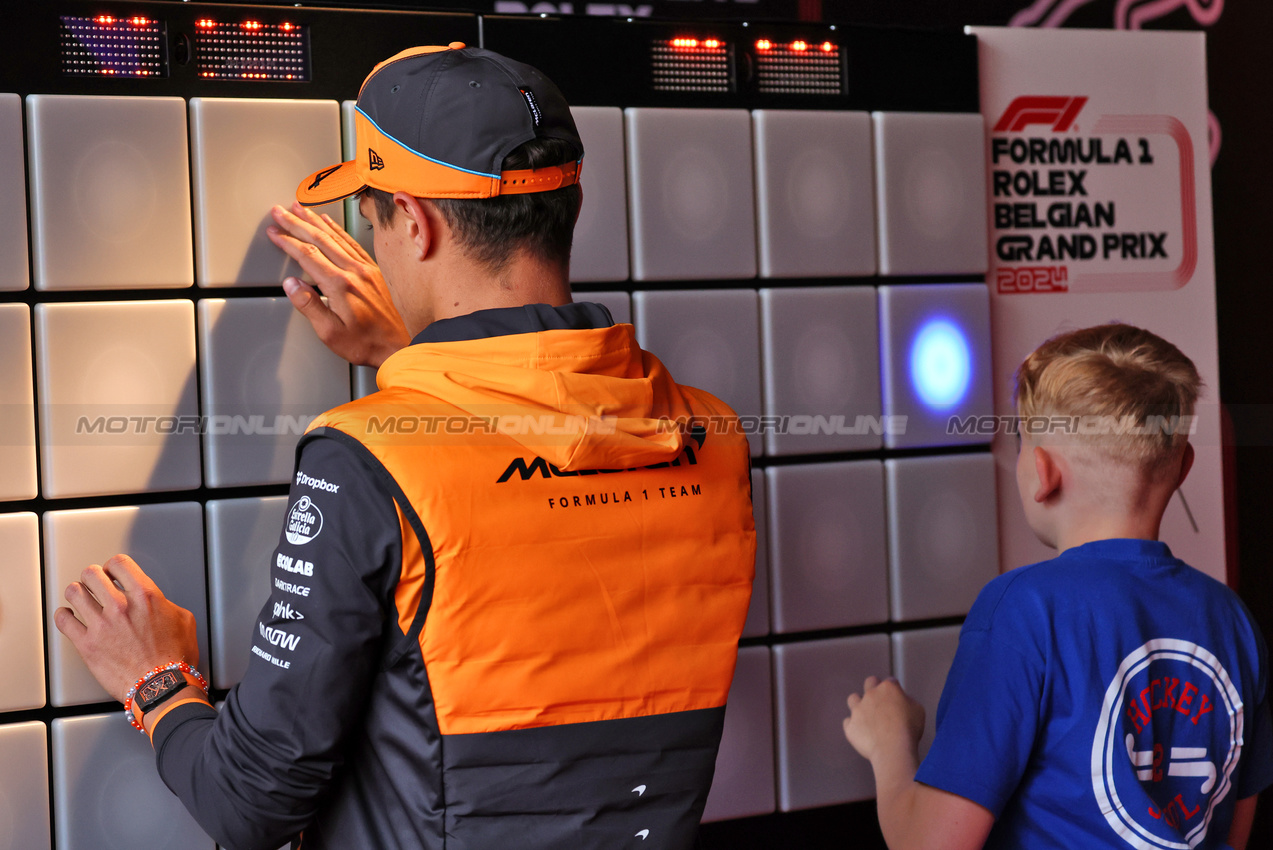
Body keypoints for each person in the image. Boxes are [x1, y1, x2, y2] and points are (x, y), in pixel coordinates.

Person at [54, 43, 755, 850]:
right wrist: (415, 361)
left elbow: (250, 802)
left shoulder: (368, 459)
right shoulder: (714, 438)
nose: (375, 240)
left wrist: (158, 684)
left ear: (413, 225)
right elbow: (542, 501)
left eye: (374, 215)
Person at [843, 323, 1273, 850]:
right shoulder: (1232, 620)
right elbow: (1234, 832)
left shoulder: (1021, 611)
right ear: (1183, 467)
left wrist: (891, 743)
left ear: (1041, 471)